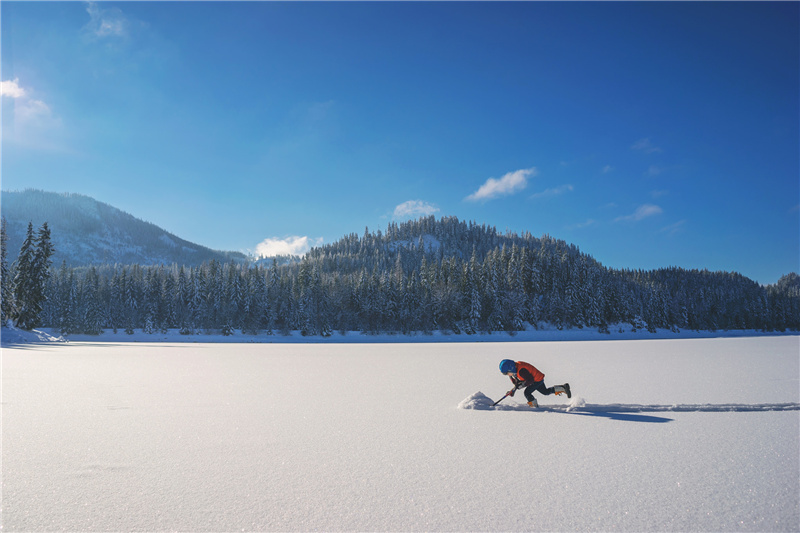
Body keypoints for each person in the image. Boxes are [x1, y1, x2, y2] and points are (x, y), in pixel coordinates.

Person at [499, 359, 571, 408]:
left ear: (511, 368)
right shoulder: (515, 368)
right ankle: (563, 388)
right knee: (545, 392)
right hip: (537, 378)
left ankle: (534, 407)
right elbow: (517, 382)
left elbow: (530, 380)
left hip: (536, 380)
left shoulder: (521, 371)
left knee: (527, 393)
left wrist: (520, 387)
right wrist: (513, 390)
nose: (507, 375)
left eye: (507, 373)